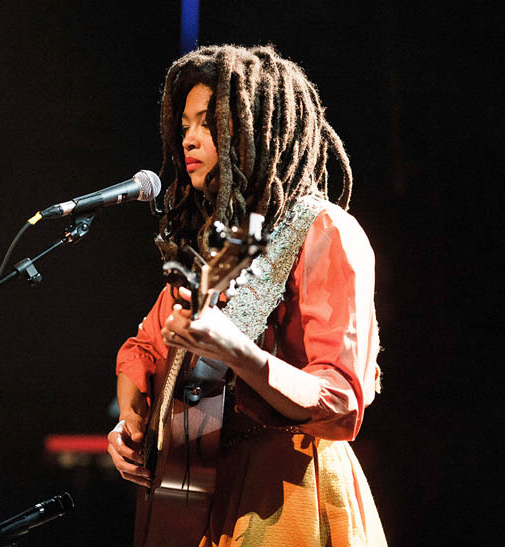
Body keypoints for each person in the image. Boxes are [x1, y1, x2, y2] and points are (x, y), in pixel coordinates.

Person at [107, 44, 386, 546]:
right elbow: (147, 348)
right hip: (208, 497)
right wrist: (129, 420)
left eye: (206, 123)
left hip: (291, 495)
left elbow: (341, 399)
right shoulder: (225, 247)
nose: (188, 138)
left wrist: (238, 354)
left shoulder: (325, 229)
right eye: (184, 124)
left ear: (257, 128)